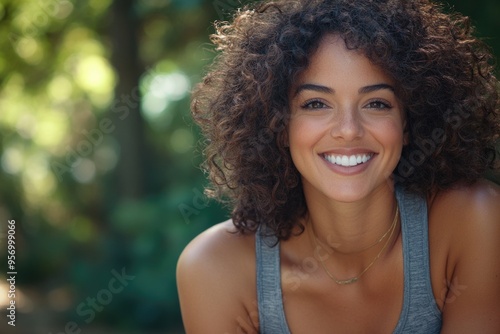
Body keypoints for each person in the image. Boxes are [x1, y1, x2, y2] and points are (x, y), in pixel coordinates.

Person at [177, 0, 500, 332]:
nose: (348, 129)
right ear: (279, 126)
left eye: (376, 103)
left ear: (407, 124)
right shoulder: (216, 269)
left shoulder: (473, 220)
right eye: (316, 104)